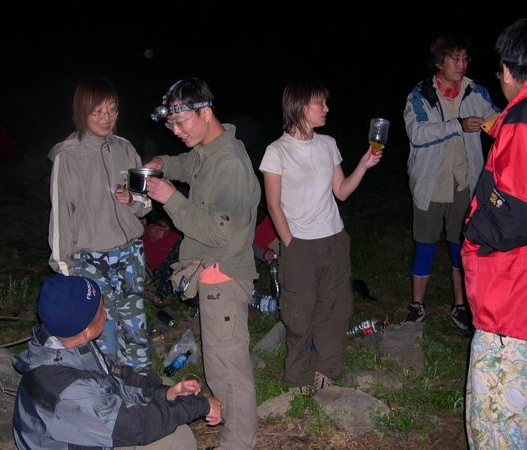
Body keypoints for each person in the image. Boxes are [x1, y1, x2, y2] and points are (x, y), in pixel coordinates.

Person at [145, 78, 260, 450]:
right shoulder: (208, 150)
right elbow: (187, 163)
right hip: (212, 274)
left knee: (230, 369)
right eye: (172, 127)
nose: (177, 132)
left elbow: (218, 233)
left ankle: (239, 443)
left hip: (224, 273)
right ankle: (233, 435)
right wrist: (162, 164)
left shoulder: (229, 163)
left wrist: (171, 199)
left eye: (181, 123)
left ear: (205, 112)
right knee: (219, 365)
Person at [259, 80, 381, 391]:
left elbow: (341, 191)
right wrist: (290, 243)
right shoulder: (276, 151)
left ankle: (328, 367)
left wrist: (364, 165)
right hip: (299, 243)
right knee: (298, 314)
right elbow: (273, 205)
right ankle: (297, 376)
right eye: (320, 103)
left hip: (334, 238)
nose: (326, 108)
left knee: (336, 307)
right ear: (300, 107)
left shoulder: (328, 144)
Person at [13, 274, 222, 449]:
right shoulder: (66, 389)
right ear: (87, 330)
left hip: (87, 426)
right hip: (72, 440)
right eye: (101, 310)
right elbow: (138, 426)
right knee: (176, 440)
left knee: (165, 388)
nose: (107, 313)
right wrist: (201, 406)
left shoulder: (68, 342)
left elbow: (117, 378)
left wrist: (165, 394)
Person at [48, 76, 152, 372]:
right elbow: (61, 216)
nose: (106, 118)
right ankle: (107, 386)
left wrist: (131, 199)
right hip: (90, 259)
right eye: (98, 112)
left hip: (129, 254)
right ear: (83, 112)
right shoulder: (68, 156)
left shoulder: (126, 149)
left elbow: (146, 204)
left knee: (135, 328)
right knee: (101, 332)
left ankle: (140, 383)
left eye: (112, 110)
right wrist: (64, 268)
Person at [403, 34, 499, 334]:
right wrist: (457, 125)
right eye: (455, 59)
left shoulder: (474, 91)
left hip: (464, 183)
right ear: (439, 61)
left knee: (461, 246)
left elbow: (498, 120)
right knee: (425, 244)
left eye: (465, 59)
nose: (462, 64)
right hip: (430, 183)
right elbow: (418, 133)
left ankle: (460, 305)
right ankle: (417, 304)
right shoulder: (420, 95)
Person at [462, 18, 527, 449]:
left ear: (506, 70)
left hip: (510, 306)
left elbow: (513, 216)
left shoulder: (521, 121)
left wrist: (472, 231)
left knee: (497, 428)